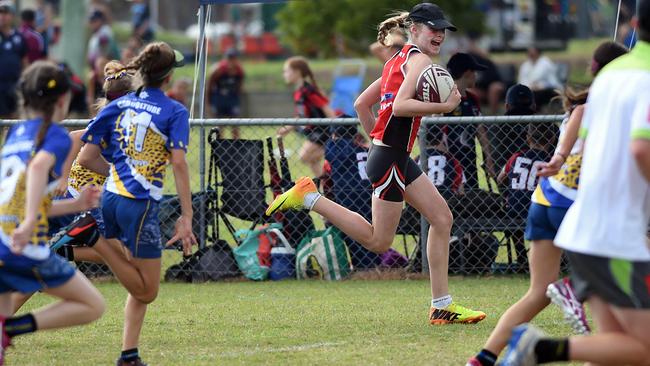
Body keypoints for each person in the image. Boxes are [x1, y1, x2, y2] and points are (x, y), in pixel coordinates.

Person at [267, 2, 486, 325]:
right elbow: (399, 106)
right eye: (432, 28)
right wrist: (444, 106)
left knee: (441, 218)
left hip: (391, 156)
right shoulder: (419, 60)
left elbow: (360, 105)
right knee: (378, 240)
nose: (439, 34)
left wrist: (378, 144)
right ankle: (309, 196)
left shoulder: (397, 60)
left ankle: (442, 305)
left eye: (442, 30)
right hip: (390, 159)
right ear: (414, 29)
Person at [500, 2, 650, 362]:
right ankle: (538, 347)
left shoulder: (611, 77)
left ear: (633, 22)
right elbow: (641, 151)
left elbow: (585, 141)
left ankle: (536, 348)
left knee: (617, 344)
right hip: (614, 237)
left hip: (585, 229)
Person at [466, 40, 631, 366]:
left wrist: (556, 159)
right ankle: (572, 288)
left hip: (543, 202)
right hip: (571, 206)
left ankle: (483, 358)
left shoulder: (585, 104)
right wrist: (557, 157)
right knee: (613, 292)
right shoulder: (608, 103)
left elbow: (578, 122)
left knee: (539, 292)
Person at [77, 42, 197, 366]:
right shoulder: (174, 110)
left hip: (112, 198)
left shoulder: (120, 103)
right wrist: (186, 215)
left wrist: (119, 171)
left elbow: (86, 155)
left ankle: (129, 354)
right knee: (149, 290)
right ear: (169, 77)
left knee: (136, 276)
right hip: (140, 205)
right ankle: (95, 241)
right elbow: (180, 164)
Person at [0, 60, 105, 364]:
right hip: (23, 244)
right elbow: (37, 168)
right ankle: (13, 327)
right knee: (92, 305)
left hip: (5, 236)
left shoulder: (16, 133)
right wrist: (31, 219)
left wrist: (74, 205)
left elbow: (20, 197)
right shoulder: (55, 135)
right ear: (62, 100)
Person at [497, 123, 555, 268]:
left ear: (528, 138)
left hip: (513, 209)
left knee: (514, 218)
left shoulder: (516, 157)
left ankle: (522, 257)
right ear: (552, 139)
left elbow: (500, 178)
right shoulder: (550, 160)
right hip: (538, 208)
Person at [277, 56, 337, 177]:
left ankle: (335, 151)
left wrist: (336, 129)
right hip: (313, 132)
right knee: (312, 161)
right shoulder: (299, 92)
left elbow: (327, 109)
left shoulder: (309, 90)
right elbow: (300, 116)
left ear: (297, 72)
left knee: (304, 156)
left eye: (286, 71)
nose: (284, 74)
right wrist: (288, 128)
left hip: (323, 131)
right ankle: (326, 186)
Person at [445, 52, 496, 188]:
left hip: (469, 162)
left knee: (471, 201)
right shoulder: (443, 98)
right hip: (449, 164)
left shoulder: (473, 99)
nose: (476, 76)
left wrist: (489, 159)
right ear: (467, 72)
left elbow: (480, 131)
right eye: (475, 72)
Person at [493, 84, 537, 170]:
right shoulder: (544, 126)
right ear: (533, 106)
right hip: (539, 176)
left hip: (505, 177)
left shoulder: (497, 127)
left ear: (507, 106)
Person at [207, 48, 245, 139]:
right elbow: (209, 87)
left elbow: (240, 87)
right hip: (219, 99)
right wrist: (208, 103)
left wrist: (236, 99)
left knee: (235, 124)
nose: (231, 61)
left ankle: (237, 147)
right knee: (220, 125)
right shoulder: (217, 70)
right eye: (229, 58)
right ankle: (220, 148)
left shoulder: (239, 71)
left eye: (234, 58)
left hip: (232, 99)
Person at [0, 1, 26, 119]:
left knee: (14, 117)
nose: (2, 16)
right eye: (0, 13)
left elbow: (24, 61)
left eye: (6, 13)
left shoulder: (19, 37)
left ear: (12, 16)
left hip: (14, 84)